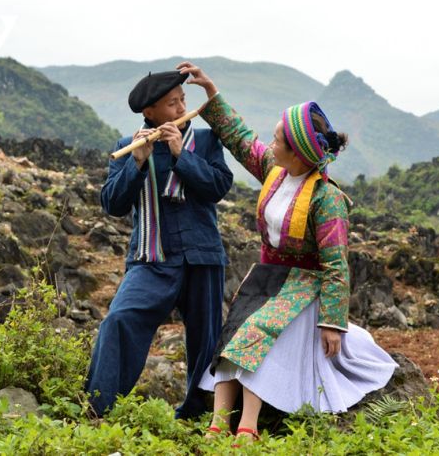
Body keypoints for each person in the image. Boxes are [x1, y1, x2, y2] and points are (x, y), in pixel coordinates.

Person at [177, 61, 398, 443]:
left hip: (302, 283)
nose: (271, 143)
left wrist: (332, 321)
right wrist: (212, 95)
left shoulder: (327, 200)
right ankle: (217, 424)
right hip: (265, 278)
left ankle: (247, 426)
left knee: (257, 334)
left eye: (278, 139)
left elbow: (335, 264)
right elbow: (241, 138)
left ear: (296, 153)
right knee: (231, 336)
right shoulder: (275, 171)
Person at [85, 70, 233, 419]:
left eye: (183, 99)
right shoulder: (128, 146)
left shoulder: (207, 142)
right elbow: (113, 204)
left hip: (202, 255)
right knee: (119, 320)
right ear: (150, 113)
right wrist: (137, 161)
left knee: (206, 340)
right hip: (151, 258)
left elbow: (218, 187)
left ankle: (197, 413)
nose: (182, 106)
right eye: (173, 103)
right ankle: (98, 409)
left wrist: (183, 155)